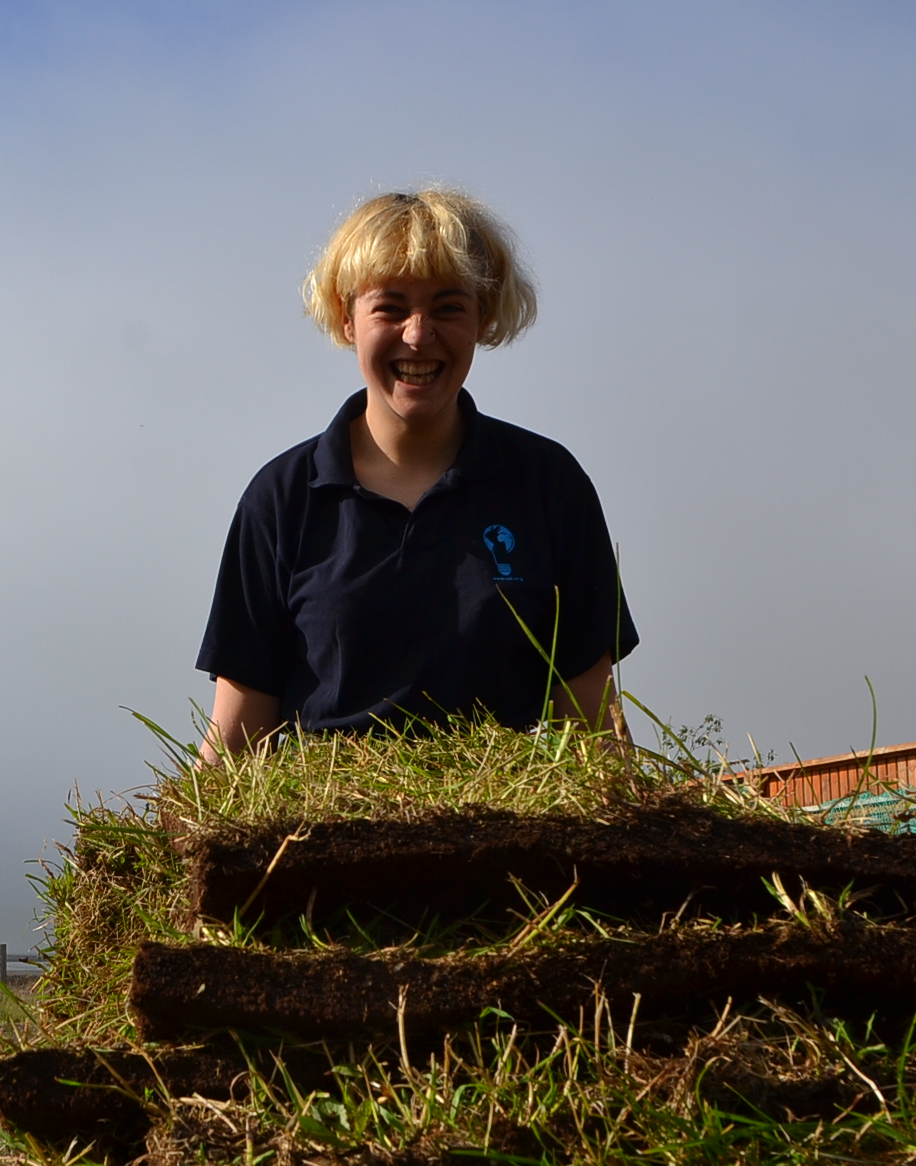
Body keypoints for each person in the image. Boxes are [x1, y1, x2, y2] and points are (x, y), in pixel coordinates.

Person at [196, 188, 638, 761]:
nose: (417, 334)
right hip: (320, 816)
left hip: (504, 815)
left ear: (484, 317)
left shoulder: (549, 484)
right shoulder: (280, 499)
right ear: (347, 317)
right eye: (390, 307)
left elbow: (594, 728)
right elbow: (236, 739)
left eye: (449, 307)